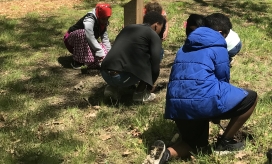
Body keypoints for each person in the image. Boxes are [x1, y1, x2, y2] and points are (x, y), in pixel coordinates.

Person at [148, 13, 257, 163]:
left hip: (177, 105)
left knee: (195, 144)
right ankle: (224, 143)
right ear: (220, 33)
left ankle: (165, 155)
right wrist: (216, 113)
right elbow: (222, 80)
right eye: (225, 35)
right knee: (251, 98)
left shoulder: (185, 46)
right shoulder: (219, 45)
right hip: (201, 102)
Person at [100, 11, 165, 103]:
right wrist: (149, 86)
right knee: (159, 52)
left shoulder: (128, 28)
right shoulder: (153, 34)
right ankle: (140, 93)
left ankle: (112, 88)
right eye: (160, 28)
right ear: (156, 25)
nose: (159, 31)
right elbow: (155, 68)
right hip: (121, 77)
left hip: (104, 72)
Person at [63, 3, 112, 69]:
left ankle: (88, 61)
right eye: (103, 19)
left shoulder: (103, 22)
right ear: (98, 16)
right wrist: (99, 50)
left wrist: (109, 55)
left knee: (102, 55)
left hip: (86, 42)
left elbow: (105, 39)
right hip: (71, 41)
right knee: (83, 33)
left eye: (107, 19)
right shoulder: (89, 19)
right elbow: (90, 36)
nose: (105, 21)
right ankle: (77, 62)